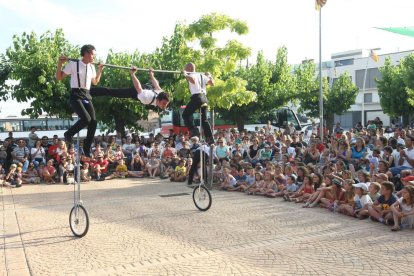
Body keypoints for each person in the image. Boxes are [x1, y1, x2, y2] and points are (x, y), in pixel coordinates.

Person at [56, 44, 104, 156]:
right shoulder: (73, 64)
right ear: (86, 53)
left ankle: (86, 148)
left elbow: (95, 82)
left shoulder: (92, 67)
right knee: (86, 119)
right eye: (93, 54)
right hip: (76, 94)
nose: (94, 57)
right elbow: (59, 77)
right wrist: (60, 64)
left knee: (93, 122)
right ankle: (68, 134)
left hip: (86, 94)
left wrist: (100, 69)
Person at [89, 67, 170, 110]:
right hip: (145, 90)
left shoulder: (146, 99)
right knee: (153, 87)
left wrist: (133, 74)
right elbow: (156, 85)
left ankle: (90, 91)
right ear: (159, 100)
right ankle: (90, 91)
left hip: (135, 92)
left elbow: (138, 88)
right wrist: (151, 75)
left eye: (165, 105)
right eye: (164, 104)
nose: (164, 106)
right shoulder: (158, 95)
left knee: (111, 91)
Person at [182, 62, 214, 144]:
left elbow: (193, 81)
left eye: (185, 68)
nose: (184, 69)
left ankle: (194, 131)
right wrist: (209, 76)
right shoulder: (202, 75)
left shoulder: (192, 74)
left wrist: (186, 75)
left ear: (189, 68)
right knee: (204, 120)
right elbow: (212, 83)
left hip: (197, 98)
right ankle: (209, 138)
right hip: (204, 98)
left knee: (185, 114)